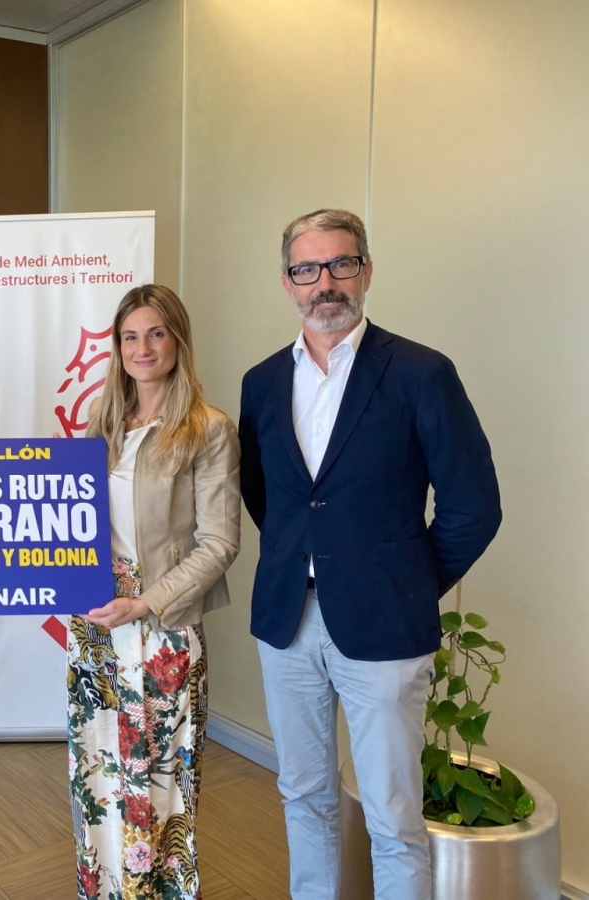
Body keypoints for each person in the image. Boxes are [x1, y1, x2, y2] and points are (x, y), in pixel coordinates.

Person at [238, 209, 502, 900]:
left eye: (341, 264)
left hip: (385, 625)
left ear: (367, 271)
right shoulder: (261, 383)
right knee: (303, 795)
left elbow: (474, 506)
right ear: (288, 282)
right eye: (307, 269)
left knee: (393, 816)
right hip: (288, 621)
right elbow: (269, 499)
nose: (324, 282)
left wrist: (405, 581)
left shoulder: (421, 373)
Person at [68, 283, 241, 900]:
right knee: (100, 774)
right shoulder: (102, 424)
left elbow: (220, 542)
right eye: (130, 336)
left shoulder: (208, 429)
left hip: (161, 626)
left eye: (156, 333)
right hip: (95, 624)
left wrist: (145, 601)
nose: (142, 348)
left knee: (160, 782)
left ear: (178, 340)